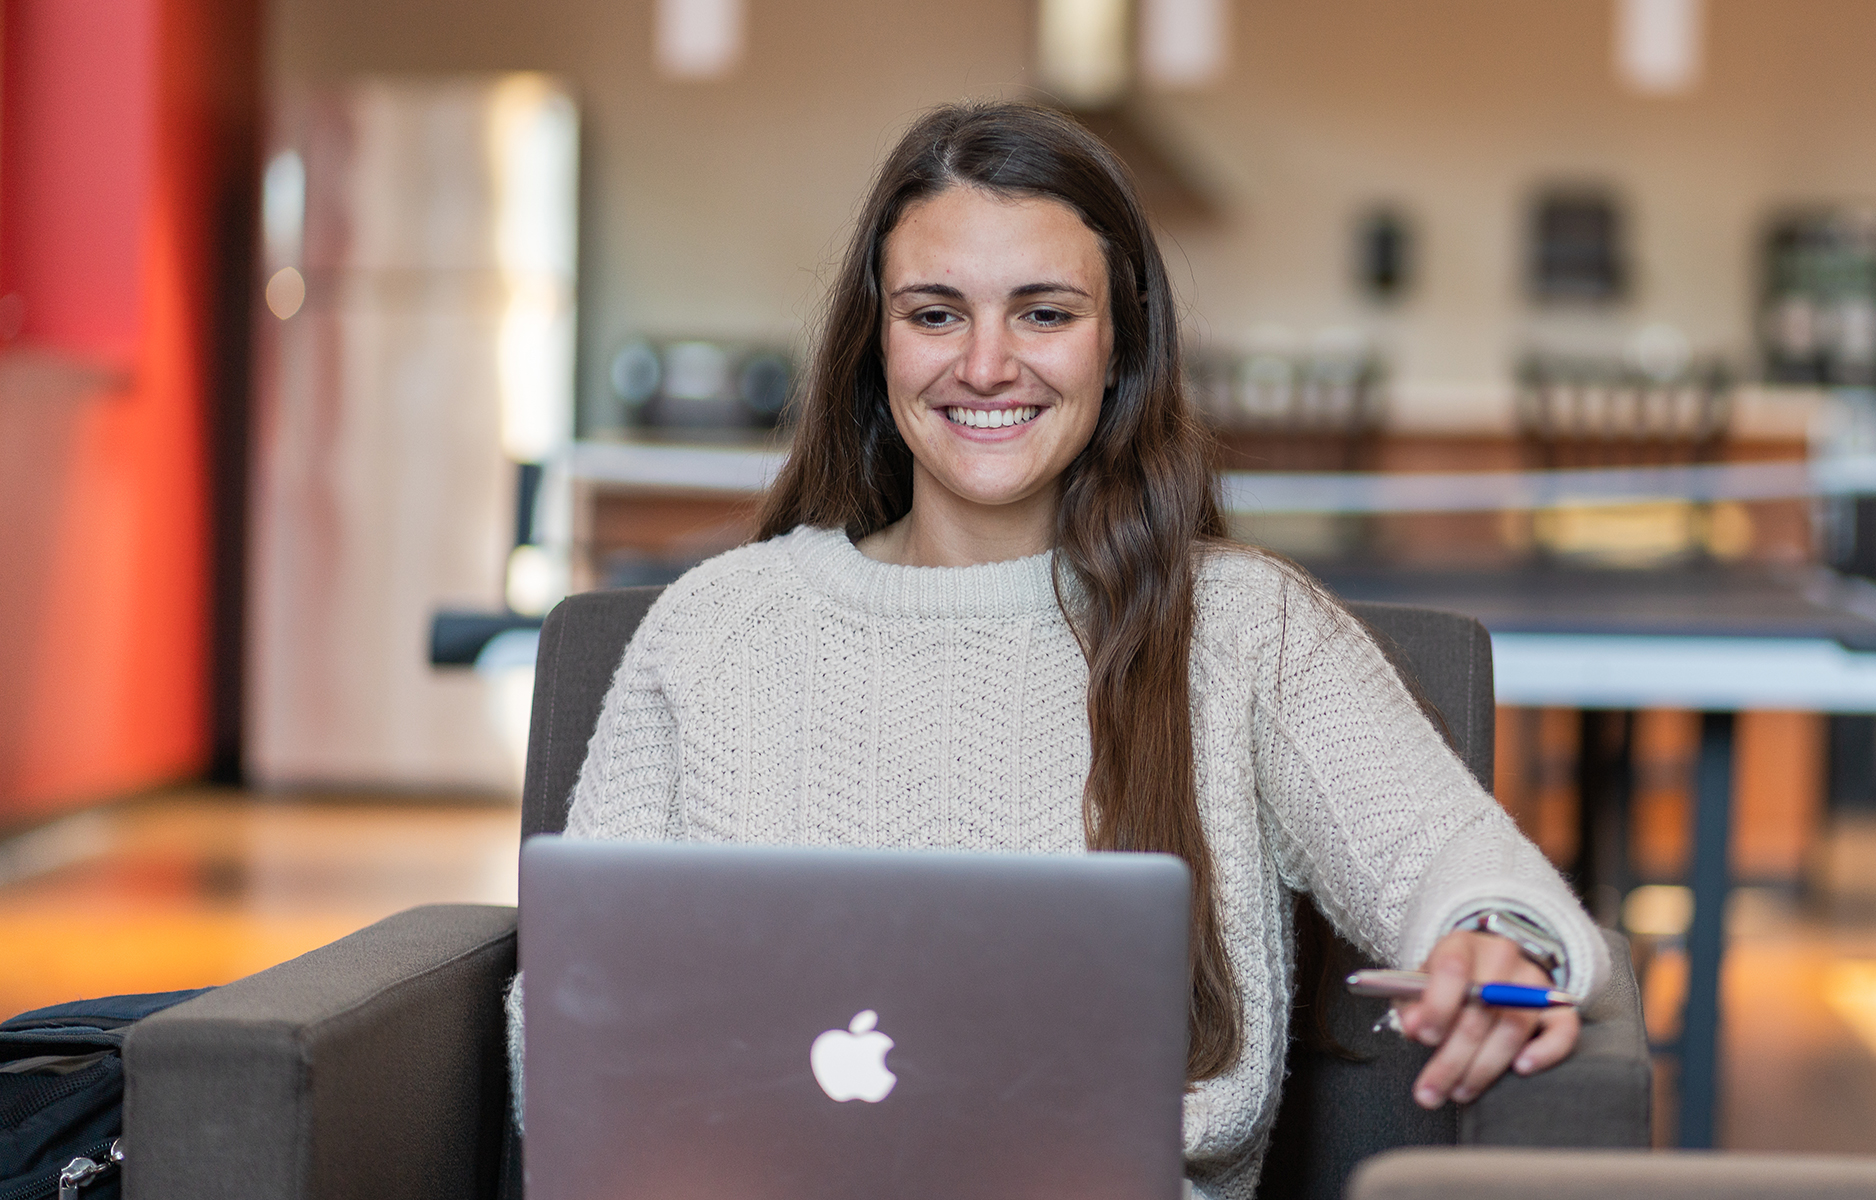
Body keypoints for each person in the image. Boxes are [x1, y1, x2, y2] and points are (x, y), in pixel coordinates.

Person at [509, 101, 1605, 1199]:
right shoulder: (715, 628)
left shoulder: (1243, 627)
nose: (987, 365)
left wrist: (1496, 937)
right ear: (875, 339)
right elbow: (563, 1012)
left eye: (1043, 313)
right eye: (936, 314)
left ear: (1118, 339)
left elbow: (1455, 861)